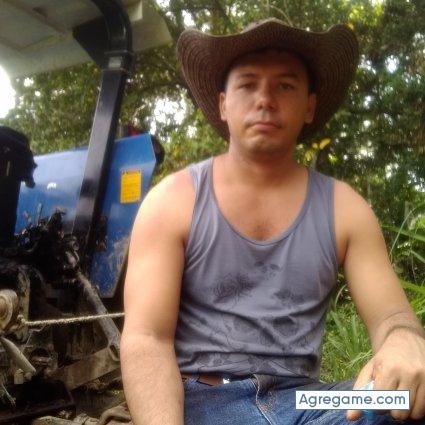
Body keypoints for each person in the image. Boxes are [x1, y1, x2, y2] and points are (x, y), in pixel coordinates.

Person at [120, 19, 425, 425]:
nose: (265, 99)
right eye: (248, 84)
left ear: (309, 106)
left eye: (285, 86)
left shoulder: (345, 208)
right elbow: (147, 338)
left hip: (309, 402)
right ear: (223, 104)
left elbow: (392, 317)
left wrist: (403, 341)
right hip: (200, 398)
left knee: (405, 400)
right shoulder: (172, 201)